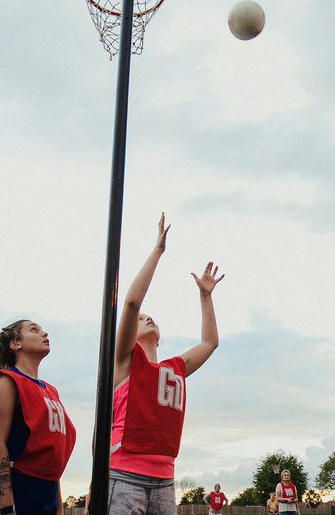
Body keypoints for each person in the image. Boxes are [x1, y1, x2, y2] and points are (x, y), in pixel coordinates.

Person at [107, 213, 223, 515]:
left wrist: (205, 296)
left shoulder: (174, 368)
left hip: (164, 478)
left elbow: (209, 342)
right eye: (143, 319)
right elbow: (132, 303)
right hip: (124, 474)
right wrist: (158, 250)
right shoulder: (125, 361)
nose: (148, 317)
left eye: (151, 317)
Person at [0, 320, 76, 515]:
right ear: (15, 344)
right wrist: (7, 508)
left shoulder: (51, 391)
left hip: (43, 497)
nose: (44, 333)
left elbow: (51, 457)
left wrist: (58, 508)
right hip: (9, 497)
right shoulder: (7, 381)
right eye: (34, 329)